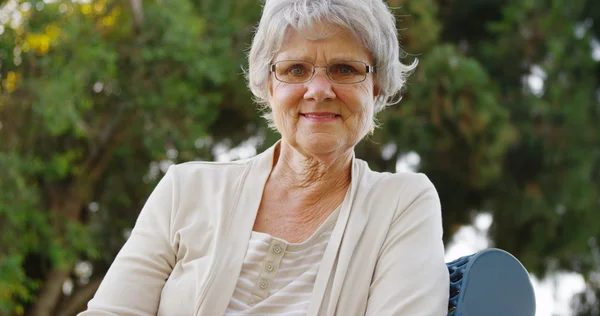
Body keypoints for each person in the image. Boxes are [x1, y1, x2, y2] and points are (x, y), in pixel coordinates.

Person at [80, 0, 449, 315]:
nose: (318, 90)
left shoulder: (402, 204)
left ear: (376, 86)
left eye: (345, 69)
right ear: (269, 86)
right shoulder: (185, 190)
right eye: (296, 70)